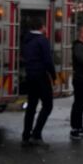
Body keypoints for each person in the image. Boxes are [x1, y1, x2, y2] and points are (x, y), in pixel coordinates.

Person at [21, 17, 56, 148]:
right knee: (48, 105)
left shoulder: (27, 39)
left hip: (30, 75)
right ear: (42, 27)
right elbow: (48, 60)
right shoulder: (43, 41)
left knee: (31, 106)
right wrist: (53, 76)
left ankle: (26, 135)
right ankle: (36, 134)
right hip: (41, 76)